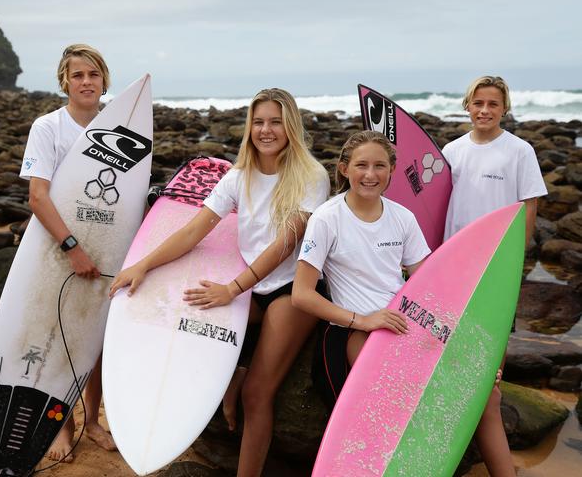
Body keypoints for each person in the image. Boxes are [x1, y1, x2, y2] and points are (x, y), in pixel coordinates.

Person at [109, 88, 330, 476]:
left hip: (290, 289)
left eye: (275, 122)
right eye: (258, 122)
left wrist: (232, 289)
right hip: (251, 289)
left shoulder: (312, 176)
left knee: (257, 394)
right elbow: (195, 230)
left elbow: (285, 244)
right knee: (188, 322)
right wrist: (143, 265)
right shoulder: (238, 176)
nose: (266, 130)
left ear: (290, 126)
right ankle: (234, 370)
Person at [442, 75, 547, 477]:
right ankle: (459, 426)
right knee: (453, 341)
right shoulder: (452, 151)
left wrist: (511, 265)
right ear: (467, 106)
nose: (484, 110)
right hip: (454, 262)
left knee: (492, 352)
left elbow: (528, 209)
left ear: (505, 109)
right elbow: (438, 207)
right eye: (478, 103)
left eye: (493, 104)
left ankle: (488, 416)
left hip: (496, 265)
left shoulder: (519, 151)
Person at [19, 43, 117, 462]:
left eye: (93, 74)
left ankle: (92, 420)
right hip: (58, 250)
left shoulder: (118, 130)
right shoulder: (48, 127)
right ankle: (63, 423)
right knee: (59, 339)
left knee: (96, 341)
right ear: (65, 81)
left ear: (104, 80)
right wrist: (72, 248)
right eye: (78, 75)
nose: (86, 82)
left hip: (108, 250)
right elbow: (38, 198)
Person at [291, 130, 430, 406]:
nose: (370, 174)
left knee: (483, 396)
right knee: (384, 399)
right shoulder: (326, 219)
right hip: (352, 328)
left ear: (391, 170)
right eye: (361, 165)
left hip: (399, 324)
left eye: (379, 166)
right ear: (344, 169)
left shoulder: (403, 217)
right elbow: (301, 294)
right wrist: (363, 321)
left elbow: (428, 284)